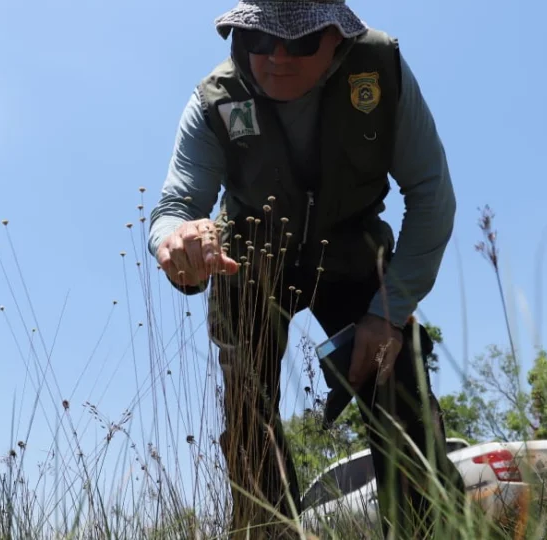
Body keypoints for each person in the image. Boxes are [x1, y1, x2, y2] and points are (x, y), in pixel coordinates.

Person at [147, 0, 466, 538]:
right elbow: (175, 207)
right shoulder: (213, 100)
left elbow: (432, 195)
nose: (276, 56)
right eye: (257, 39)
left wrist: (387, 313)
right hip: (249, 258)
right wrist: (176, 241)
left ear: (337, 37)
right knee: (248, 417)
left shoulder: (381, 69)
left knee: (399, 392)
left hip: (353, 253)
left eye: (298, 41)